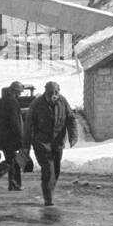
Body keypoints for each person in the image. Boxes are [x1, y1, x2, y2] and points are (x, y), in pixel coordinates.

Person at [24, 79, 77, 207]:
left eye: (56, 92)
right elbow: (28, 126)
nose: (54, 95)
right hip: (41, 142)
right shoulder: (36, 104)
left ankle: (49, 191)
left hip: (57, 142)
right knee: (48, 169)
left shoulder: (62, 101)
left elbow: (70, 119)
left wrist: (73, 136)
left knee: (56, 170)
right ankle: (48, 198)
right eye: (51, 92)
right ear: (45, 92)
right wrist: (26, 147)